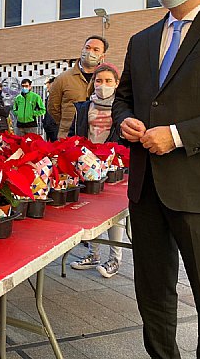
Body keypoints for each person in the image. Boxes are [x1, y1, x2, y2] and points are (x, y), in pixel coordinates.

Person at [112, 0, 200, 358]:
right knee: (152, 296)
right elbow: (124, 97)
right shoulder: (143, 39)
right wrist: (123, 119)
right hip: (146, 189)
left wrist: (177, 134)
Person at [69, 63, 124, 278]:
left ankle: (115, 258)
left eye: (109, 81)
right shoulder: (84, 107)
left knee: (114, 213)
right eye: (99, 81)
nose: (103, 86)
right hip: (88, 163)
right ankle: (94, 254)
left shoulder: (122, 108)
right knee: (90, 208)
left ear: (117, 84)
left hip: (113, 163)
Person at [48, 36, 108, 138]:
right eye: (87, 48)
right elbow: (53, 108)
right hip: (68, 139)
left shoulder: (107, 79)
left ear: (102, 56)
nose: (90, 52)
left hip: (98, 139)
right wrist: (68, 123)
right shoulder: (63, 78)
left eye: (96, 50)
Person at [42, 76, 59, 141]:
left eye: (46, 84)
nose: (46, 86)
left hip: (55, 127)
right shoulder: (49, 96)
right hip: (48, 127)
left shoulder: (58, 96)